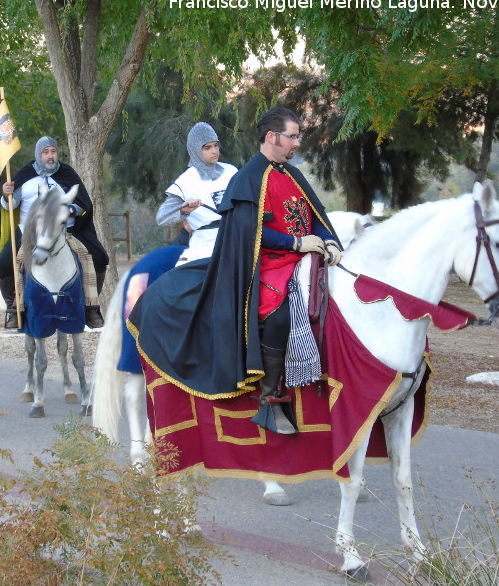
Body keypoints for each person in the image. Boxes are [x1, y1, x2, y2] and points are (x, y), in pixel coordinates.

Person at [128, 107, 342, 435]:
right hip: (264, 260)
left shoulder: (290, 174)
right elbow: (250, 231)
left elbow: (314, 213)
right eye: (293, 136)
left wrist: (328, 241)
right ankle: (270, 399)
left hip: (300, 255)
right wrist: (298, 244)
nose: (297, 142)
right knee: (278, 313)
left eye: (298, 136)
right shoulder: (248, 178)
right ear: (273, 137)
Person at [0, 136, 109, 329]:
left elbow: (84, 204)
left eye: (53, 151)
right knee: (4, 263)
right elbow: (10, 205)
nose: (50, 156)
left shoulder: (67, 174)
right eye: (46, 152)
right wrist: (6, 193)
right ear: (38, 155)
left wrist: (71, 210)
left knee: (99, 257)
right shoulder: (24, 175)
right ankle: (14, 309)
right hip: (29, 231)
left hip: (66, 231)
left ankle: (90, 307)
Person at [155, 122, 238, 266]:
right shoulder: (186, 181)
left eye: (215, 145)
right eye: (207, 147)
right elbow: (162, 218)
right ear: (195, 150)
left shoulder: (231, 172)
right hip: (204, 246)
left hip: (235, 240)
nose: (214, 151)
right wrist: (183, 209)